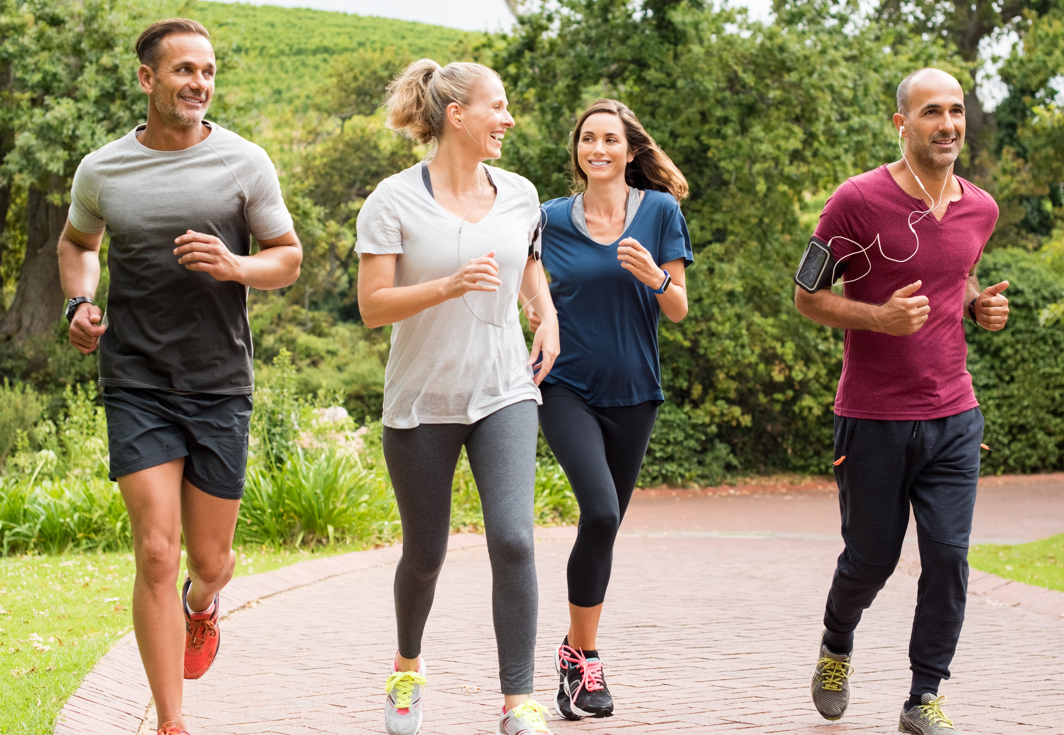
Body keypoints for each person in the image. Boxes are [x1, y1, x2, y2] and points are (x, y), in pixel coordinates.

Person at [59, 19, 301, 735]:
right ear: (147, 79)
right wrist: (79, 301)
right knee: (156, 551)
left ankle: (205, 604)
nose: (198, 82)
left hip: (220, 378)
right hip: (135, 374)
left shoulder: (244, 163)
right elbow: (78, 244)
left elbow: (286, 258)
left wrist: (235, 265)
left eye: (208, 70)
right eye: (183, 70)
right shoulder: (102, 170)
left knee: (210, 559)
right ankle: (171, 722)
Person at [794, 68, 1009, 734]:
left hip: (953, 413)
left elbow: (956, 269)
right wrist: (876, 318)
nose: (948, 124)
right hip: (872, 417)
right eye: (931, 112)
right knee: (870, 559)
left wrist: (977, 305)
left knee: (948, 555)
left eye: (956, 112)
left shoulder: (982, 208)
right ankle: (837, 642)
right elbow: (807, 295)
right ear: (901, 123)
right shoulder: (856, 200)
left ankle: (923, 695)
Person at [355, 59, 560, 735]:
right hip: (421, 400)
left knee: (513, 538)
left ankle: (517, 699)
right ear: (457, 116)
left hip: (503, 389)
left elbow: (528, 262)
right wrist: (445, 285)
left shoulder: (521, 194)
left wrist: (546, 314)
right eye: (497, 106)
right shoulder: (392, 200)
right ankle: (407, 664)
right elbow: (373, 306)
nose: (507, 118)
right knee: (425, 552)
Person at [524, 99, 692, 721]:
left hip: (635, 391)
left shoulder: (661, 213)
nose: (598, 149)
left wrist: (654, 275)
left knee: (607, 524)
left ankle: (573, 651)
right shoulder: (547, 218)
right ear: (577, 150)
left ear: (630, 150)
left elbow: (678, 308)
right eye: (588, 139)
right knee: (598, 510)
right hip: (563, 385)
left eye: (610, 140)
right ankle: (585, 661)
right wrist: (541, 315)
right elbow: (528, 282)